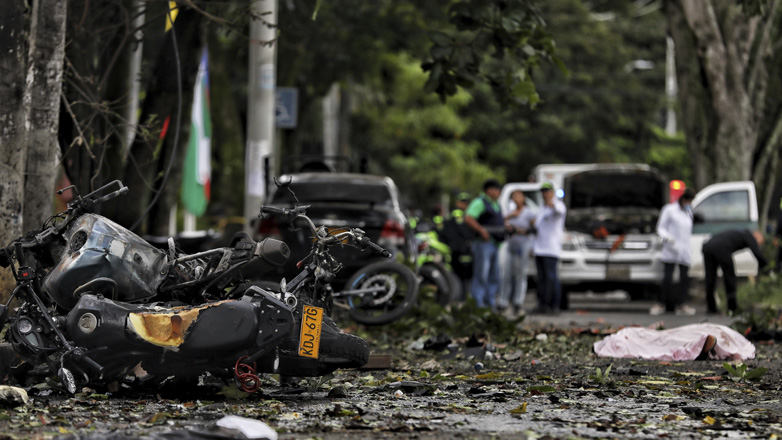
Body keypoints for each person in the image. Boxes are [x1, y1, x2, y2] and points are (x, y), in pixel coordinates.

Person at [702, 229, 768, 314]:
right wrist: (768, 267)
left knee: (710, 278)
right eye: (760, 241)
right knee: (729, 276)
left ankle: (711, 308)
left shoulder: (740, 233)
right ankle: (732, 307)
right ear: (757, 235)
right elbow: (757, 253)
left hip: (707, 246)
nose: (758, 244)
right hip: (722, 248)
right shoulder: (749, 236)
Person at [652, 188, 696, 316]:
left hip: (684, 250)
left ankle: (681, 304)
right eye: (688, 201)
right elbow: (660, 228)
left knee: (684, 278)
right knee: (667, 278)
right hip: (671, 248)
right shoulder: (669, 210)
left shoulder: (688, 213)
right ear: (683, 199)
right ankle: (662, 304)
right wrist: (668, 238)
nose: (689, 204)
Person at [465, 179, 505, 308]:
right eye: (497, 190)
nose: (498, 193)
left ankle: (489, 304)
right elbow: (469, 218)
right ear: (489, 190)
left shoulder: (495, 204)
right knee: (481, 275)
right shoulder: (480, 202)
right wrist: (481, 230)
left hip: (494, 244)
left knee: (494, 276)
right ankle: (477, 304)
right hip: (483, 244)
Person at [497, 190, 536, 316]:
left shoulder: (529, 213)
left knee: (520, 274)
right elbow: (502, 223)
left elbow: (534, 229)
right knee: (506, 274)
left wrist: (519, 230)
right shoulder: (511, 212)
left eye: (518, 196)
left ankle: (518, 302)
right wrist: (510, 218)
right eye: (514, 197)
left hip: (523, 245)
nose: (516, 199)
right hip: (511, 245)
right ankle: (503, 302)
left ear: (523, 198)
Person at [532, 182, 566, 314]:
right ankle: (542, 304)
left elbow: (559, 211)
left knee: (552, 278)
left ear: (552, 193)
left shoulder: (558, 205)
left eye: (547, 191)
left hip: (551, 249)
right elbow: (537, 227)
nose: (545, 194)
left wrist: (551, 203)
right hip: (539, 248)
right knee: (541, 279)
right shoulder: (541, 208)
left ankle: (555, 306)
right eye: (543, 192)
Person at [440, 192, 474, 301]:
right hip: (460, 249)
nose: (464, 205)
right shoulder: (459, 215)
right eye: (462, 202)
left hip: (455, 249)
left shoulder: (451, 215)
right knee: (463, 275)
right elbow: (464, 231)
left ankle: (461, 298)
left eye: (466, 203)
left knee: (459, 275)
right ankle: (462, 298)